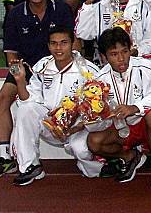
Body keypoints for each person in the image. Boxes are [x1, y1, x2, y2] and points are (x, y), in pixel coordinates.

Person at [0, 0, 74, 178]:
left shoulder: (60, 10)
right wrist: (18, 75)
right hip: (25, 68)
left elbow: (74, 43)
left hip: (56, 67)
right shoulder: (15, 14)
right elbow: (11, 54)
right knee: (2, 97)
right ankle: (6, 157)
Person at [8, 27, 100, 185]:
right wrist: (20, 81)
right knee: (25, 109)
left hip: (78, 128)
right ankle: (30, 167)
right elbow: (28, 100)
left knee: (83, 155)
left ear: (73, 44)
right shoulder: (42, 66)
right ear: (48, 46)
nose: (58, 48)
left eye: (64, 43)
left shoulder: (88, 70)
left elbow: (98, 108)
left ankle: (96, 165)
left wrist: (77, 126)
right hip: (50, 125)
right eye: (54, 43)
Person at [86, 27, 151, 194]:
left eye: (124, 51)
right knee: (93, 142)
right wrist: (100, 116)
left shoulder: (146, 66)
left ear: (130, 48)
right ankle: (130, 157)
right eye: (114, 54)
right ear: (104, 57)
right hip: (120, 128)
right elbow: (94, 124)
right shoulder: (99, 80)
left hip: (146, 126)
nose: (121, 58)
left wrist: (134, 108)